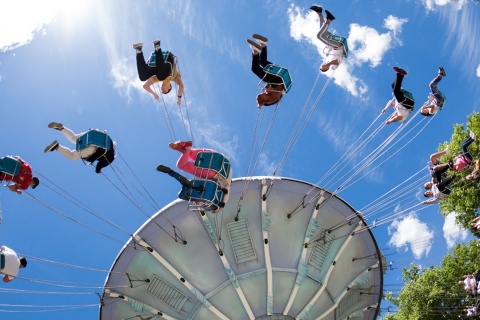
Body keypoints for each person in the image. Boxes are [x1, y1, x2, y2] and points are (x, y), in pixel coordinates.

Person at [43, 122, 115, 173]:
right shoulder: (111, 158)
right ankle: (57, 147)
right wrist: (98, 171)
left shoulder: (108, 140)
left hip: (91, 135)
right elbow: (99, 166)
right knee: (72, 156)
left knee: (73, 138)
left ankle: (61, 128)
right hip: (93, 149)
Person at [133, 40, 184, 105]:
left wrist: (154, 94)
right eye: (164, 91)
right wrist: (179, 98)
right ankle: (157, 47)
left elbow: (145, 86)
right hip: (168, 60)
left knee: (143, 77)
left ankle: (139, 50)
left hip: (158, 63)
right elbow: (181, 86)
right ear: (169, 88)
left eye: (161, 90)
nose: (162, 89)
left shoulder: (157, 79)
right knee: (161, 77)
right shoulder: (174, 78)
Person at [247, 34, 286, 109]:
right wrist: (260, 104)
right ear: (265, 101)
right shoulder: (272, 99)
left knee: (263, 62)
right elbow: (263, 98)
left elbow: (268, 87)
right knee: (255, 69)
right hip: (277, 80)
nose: (263, 92)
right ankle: (256, 51)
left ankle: (262, 44)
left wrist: (267, 87)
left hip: (278, 75)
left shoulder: (269, 95)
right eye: (263, 94)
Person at [310, 6, 345, 72]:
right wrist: (328, 64)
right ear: (326, 69)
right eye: (322, 68)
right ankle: (329, 19)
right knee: (319, 36)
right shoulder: (332, 67)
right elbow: (336, 61)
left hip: (332, 44)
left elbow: (329, 49)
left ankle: (319, 13)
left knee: (322, 30)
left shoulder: (327, 58)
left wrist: (328, 52)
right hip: (338, 47)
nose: (321, 66)